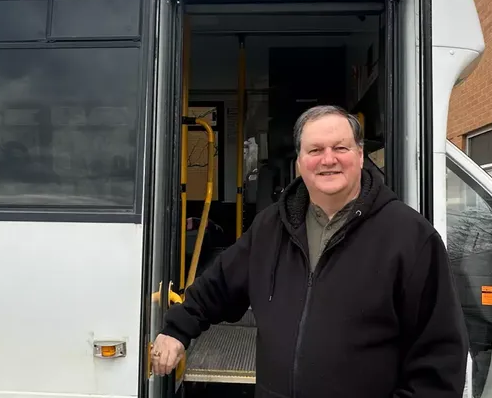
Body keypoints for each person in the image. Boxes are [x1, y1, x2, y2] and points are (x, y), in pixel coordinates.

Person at [151, 105, 469, 397]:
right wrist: (177, 330)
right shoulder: (271, 227)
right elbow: (219, 285)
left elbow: (438, 360)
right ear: (300, 162)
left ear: (360, 156)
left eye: (340, 148)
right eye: (315, 150)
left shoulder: (410, 236)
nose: (327, 159)